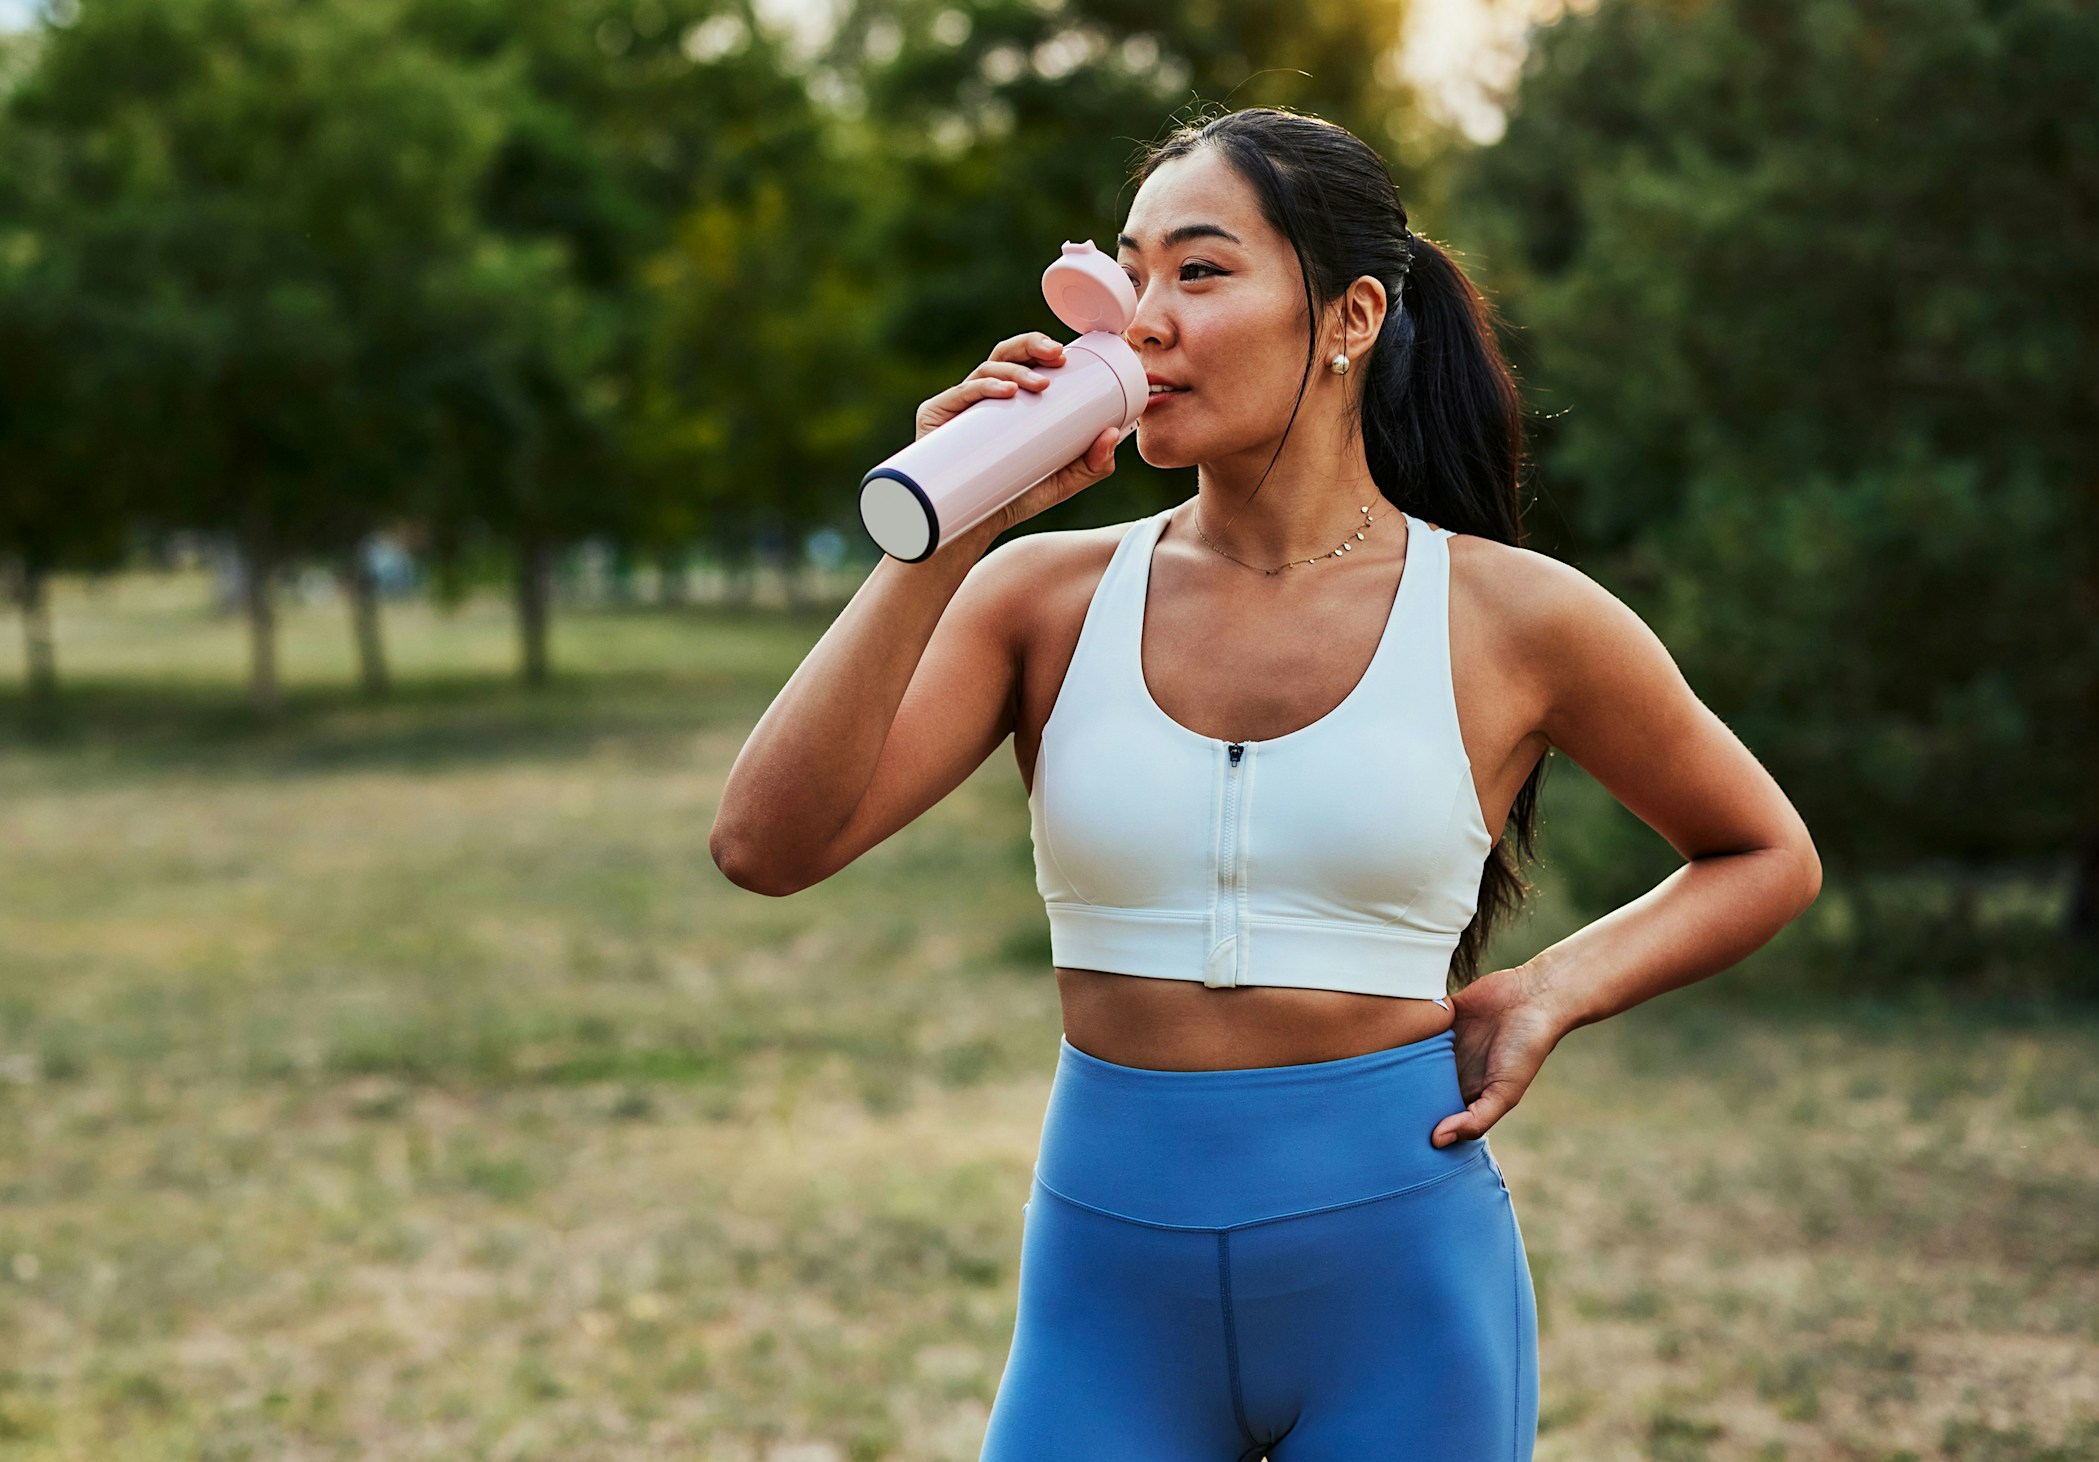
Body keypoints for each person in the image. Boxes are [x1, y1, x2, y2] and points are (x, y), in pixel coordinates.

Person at [710, 105, 1821, 1461]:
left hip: (1403, 1302)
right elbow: (765, 845)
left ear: (1350, 318)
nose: (1143, 322)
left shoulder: (1517, 616)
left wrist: (1551, 988)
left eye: (1200, 270)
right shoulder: (1039, 596)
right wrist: (943, 537)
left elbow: (1764, 851)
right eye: (1130, 277)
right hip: (1104, 1312)